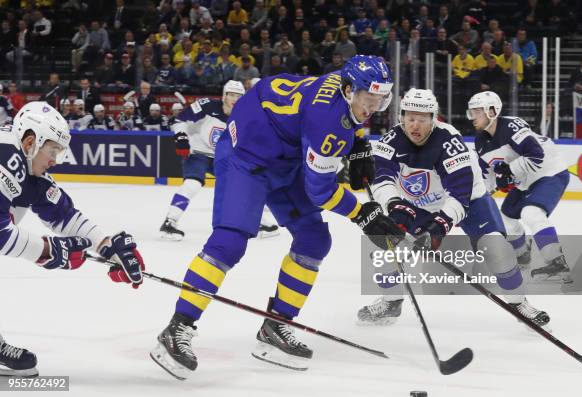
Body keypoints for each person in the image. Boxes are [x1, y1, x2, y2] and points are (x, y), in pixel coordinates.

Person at [150, 55, 404, 379]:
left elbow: (336, 121)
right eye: (369, 99)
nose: (373, 107)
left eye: (381, 100)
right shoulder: (328, 122)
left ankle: (277, 326)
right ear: (350, 89)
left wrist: (358, 142)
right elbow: (321, 192)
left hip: (284, 154)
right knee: (229, 242)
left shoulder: (345, 84)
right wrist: (363, 214)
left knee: (315, 239)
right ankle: (177, 327)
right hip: (247, 156)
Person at [357, 89, 549, 328]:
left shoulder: (449, 140)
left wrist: (437, 229)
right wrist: (394, 204)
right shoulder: (389, 141)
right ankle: (391, 302)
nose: (415, 125)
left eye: (423, 119)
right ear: (401, 117)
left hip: (470, 200)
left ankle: (519, 303)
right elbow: (382, 179)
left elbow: (459, 194)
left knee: (497, 249)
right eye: (410, 118)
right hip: (420, 205)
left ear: (434, 118)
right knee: (387, 249)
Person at [0, 101, 145, 376]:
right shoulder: (6, 156)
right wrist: (47, 250)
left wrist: (108, 247)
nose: (55, 159)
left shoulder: (28, 168)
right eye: (52, 150)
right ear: (31, 141)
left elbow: (65, 217)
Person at [466, 91, 571, 283]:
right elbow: (486, 178)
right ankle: (523, 254)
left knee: (531, 213)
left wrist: (508, 171)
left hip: (549, 171)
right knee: (505, 218)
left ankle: (557, 262)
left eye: (477, 112)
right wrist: (472, 200)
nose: (473, 117)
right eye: (471, 112)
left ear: (492, 111)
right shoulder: (481, 141)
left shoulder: (511, 126)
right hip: (525, 180)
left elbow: (536, 155)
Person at [159, 80, 276, 240]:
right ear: (224, 96)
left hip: (222, 157)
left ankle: (257, 222)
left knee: (241, 185)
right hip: (198, 152)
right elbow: (178, 120)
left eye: (238, 96)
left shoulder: (244, 115)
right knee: (192, 183)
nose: (235, 99)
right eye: (231, 95)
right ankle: (169, 222)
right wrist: (181, 137)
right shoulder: (207, 105)